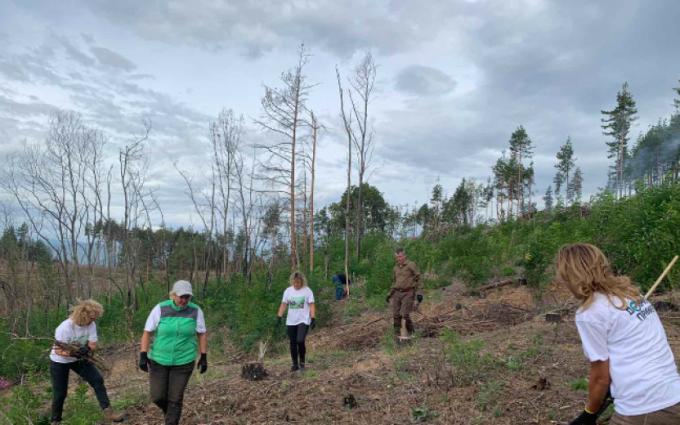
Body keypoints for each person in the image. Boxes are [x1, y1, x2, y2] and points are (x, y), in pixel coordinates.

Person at [555, 243, 680, 425]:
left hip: (644, 407)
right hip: (673, 397)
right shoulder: (632, 296)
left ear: (572, 276)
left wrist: (589, 413)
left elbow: (600, 378)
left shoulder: (590, 313)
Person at [139, 280, 208, 425]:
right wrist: (143, 355)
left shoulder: (195, 311)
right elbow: (147, 332)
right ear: (173, 295)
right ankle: (171, 413)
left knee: (175, 398)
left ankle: (171, 419)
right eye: (181, 297)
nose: (184, 300)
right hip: (158, 360)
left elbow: (202, 333)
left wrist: (203, 356)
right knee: (158, 397)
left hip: (184, 361)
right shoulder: (160, 308)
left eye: (187, 297)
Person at [49, 299, 124, 425]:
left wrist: (87, 349)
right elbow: (58, 350)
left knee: (97, 380)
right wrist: (72, 353)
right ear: (83, 315)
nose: (93, 321)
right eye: (91, 318)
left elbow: (93, 343)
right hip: (59, 361)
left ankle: (108, 412)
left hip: (79, 359)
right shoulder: (65, 328)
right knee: (60, 393)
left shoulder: (91, 325)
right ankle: (55, 421)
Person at [277, 271, 316, 371]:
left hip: (303, 320)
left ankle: (302, 362)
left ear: (302, 281)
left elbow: (311, 304)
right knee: (293, 343)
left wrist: (313, 318)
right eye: (294, 282)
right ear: (292, 281)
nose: (296, 284)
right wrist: (279, 317)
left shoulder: (307, 291)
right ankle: (295, 364)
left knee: (300, 340)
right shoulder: (288, 291)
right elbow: (283, 304)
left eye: (298, 282)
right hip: (291, 321)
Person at [386, 247, 422, 337]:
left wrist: (419, 293)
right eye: (397, 257)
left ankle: (411, 332)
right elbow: (395, 282)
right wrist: (389, 294)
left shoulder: (411, 265)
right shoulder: (395, 268)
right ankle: (397, 335)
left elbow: (418, 278)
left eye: (401, 256)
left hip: (408, 292)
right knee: (396, 315)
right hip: (397, 293)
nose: (399, 258)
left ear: (405, 256)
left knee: (405, 314)